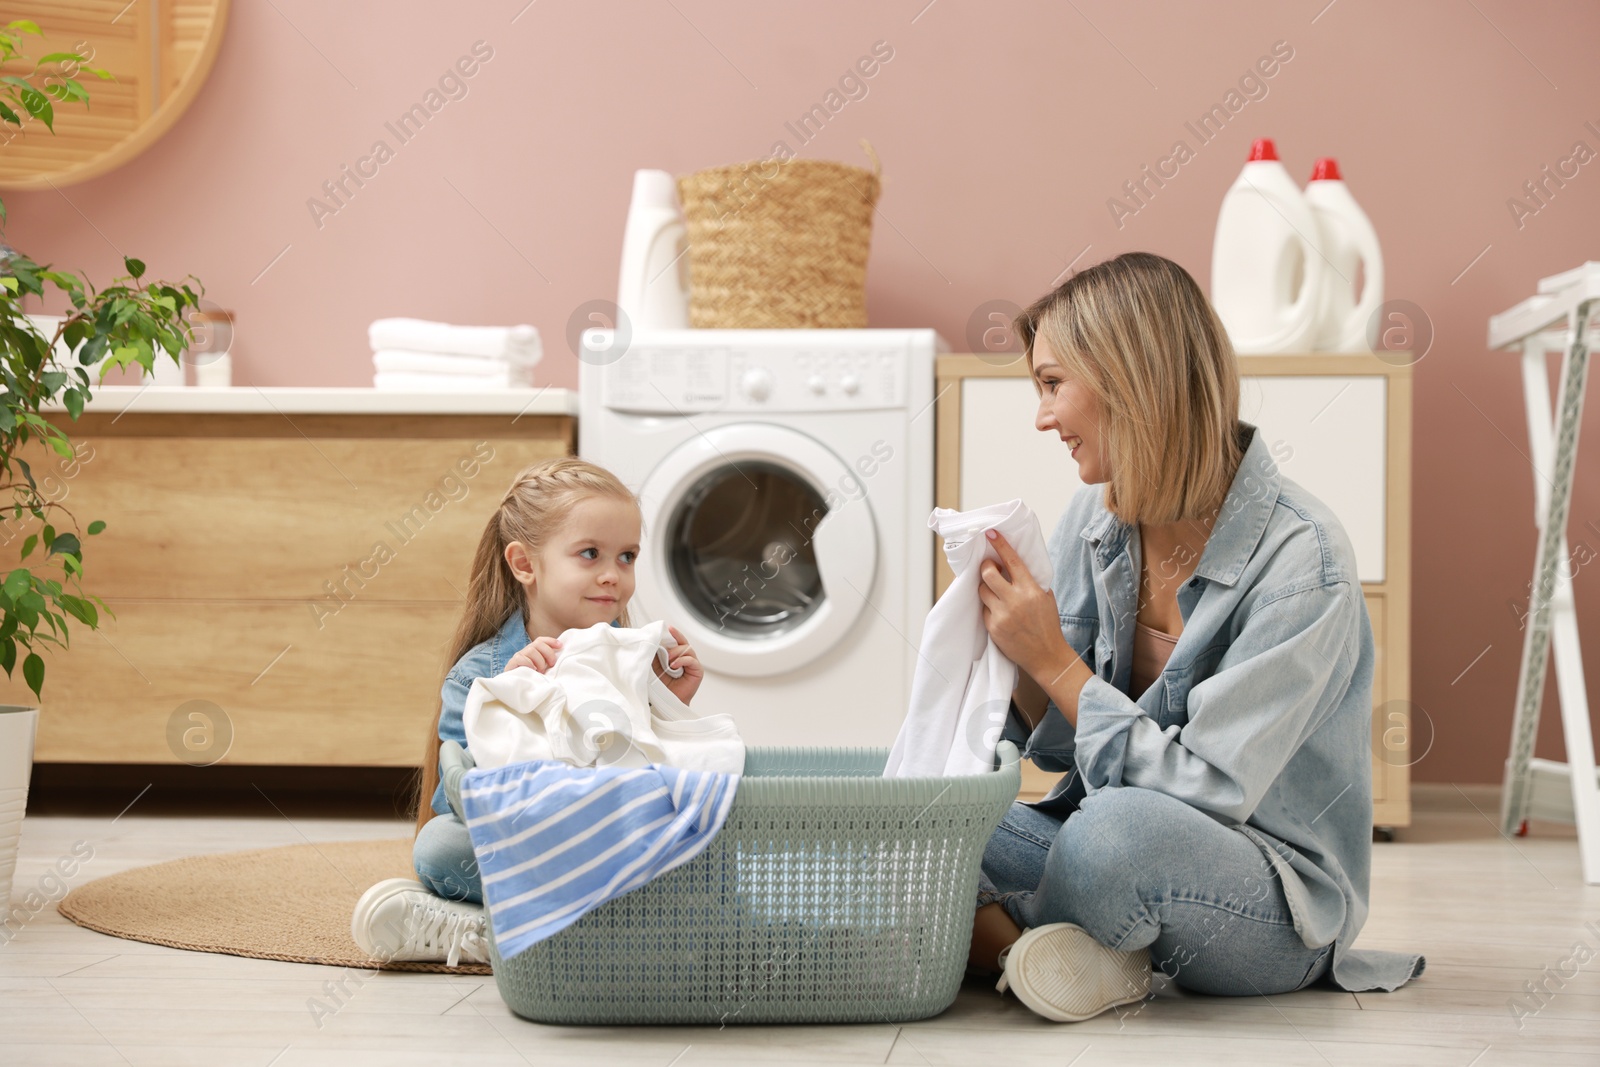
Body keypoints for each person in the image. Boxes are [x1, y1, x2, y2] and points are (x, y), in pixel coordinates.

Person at [966, 252, 1425, 1022]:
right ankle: (1044, 955)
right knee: (932, 815)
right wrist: (1010, 660)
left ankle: (994, 935)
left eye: (1051, 384)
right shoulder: (1099, 518)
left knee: (1113, 835)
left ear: (1129, 378)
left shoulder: (1302, 558)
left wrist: (1054, 658)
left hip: (1268, 893)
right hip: (1100, 832)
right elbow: (1053, 748)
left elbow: (1210, 789)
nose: (1042, 417)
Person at [350, 456, 703, 967]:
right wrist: (511, 702)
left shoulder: (631, 659)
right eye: (590, 554)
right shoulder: (481, 675)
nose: (613, 576)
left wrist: (670, 705)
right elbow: (463, 808)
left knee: (711, 823)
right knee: (440, 849)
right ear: (524, 564)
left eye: (626, 557)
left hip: (612, 837)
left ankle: (495, 933)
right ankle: (610, 933)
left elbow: (659, 771)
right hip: (534, 845)